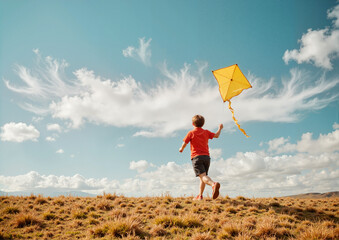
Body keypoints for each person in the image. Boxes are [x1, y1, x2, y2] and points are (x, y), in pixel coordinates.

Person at [179, 115, 223, 200]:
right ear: (203, 124)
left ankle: (213, 184)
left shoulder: (191, 133)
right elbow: (216, 136)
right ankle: (200, 196)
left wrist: (181, 149)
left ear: (192, 123)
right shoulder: (206, 132)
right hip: (206, 157)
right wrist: (220, 128)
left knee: (203, 177)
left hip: (197, 157)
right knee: (203, 177)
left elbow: (185, 143)